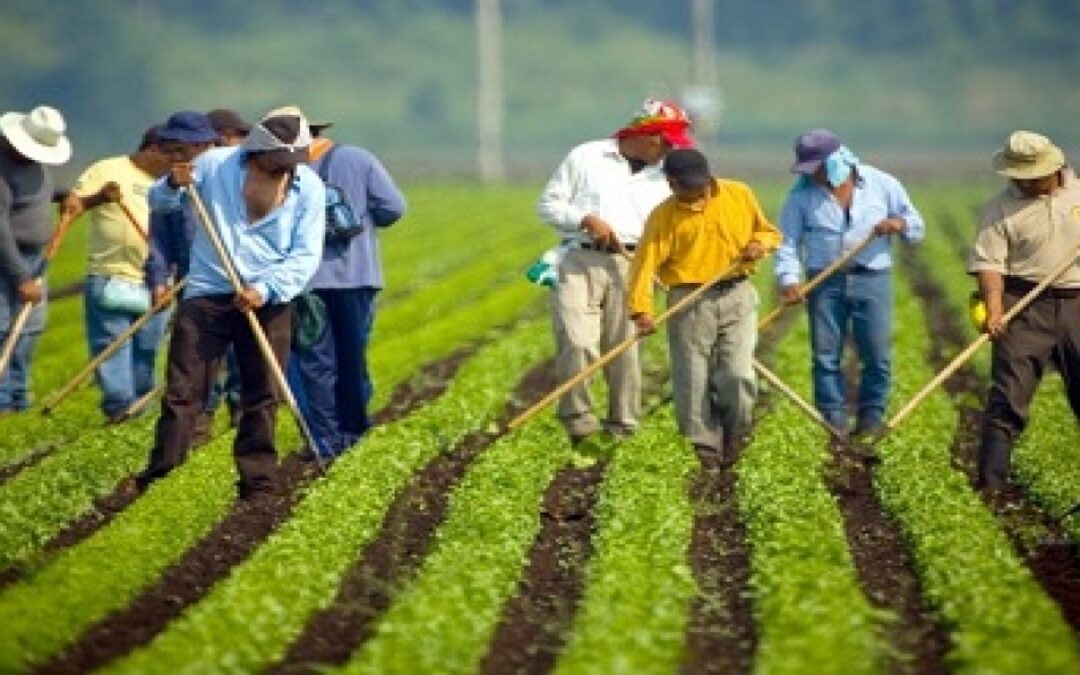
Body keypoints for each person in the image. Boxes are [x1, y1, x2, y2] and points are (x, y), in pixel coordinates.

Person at [135, 106, 325, 499]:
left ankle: (258, 482)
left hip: (267, 300)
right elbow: (160, 203)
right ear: (258, 150)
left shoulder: (309, 187)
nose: (287, 168)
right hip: (208, 294)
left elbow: (306, 255)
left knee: (262, 393)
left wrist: (266, 289)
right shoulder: (214, 165)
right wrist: (173, 183)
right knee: (184, 391)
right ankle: (163, 473)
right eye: (280, 160)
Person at [536, 98, 693, 444]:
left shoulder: (667, 173)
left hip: (634, 262)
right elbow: (549, 204)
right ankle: (579, 423)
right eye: (665, 141)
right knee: (577, 341)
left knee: (624, 347)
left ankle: (623, 426)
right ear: (645, 133)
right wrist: (584, 219)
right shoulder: (586, 156)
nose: (669, 149)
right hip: (579, 259)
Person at [774, 128, 924, 441]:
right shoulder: (800, 196)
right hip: (824, 280)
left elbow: (916, 225)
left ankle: (871, 419)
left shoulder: (882, 184)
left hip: (873, 276)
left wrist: (899, 224)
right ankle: (833, 421)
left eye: (816, 168)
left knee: (877, 354)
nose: (812, 175)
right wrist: (789, 280)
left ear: (836, 162)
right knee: (826, 355)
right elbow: (786, 243)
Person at [628, 148, 781, 455]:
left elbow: (769, 232)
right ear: (671, 184)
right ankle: (704, 447)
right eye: (689, 187)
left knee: (737, 373)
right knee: (693, 377)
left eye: (701, 185)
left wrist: (757, 245)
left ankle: (736, 433)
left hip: (738, 293)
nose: (698, 193)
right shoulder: (663, 217)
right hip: (689, 300)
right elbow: (643, 267)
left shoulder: (739, 194)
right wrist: (642, 311)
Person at [288, 114, 406, 460]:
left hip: (305, 281)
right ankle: (353, 432)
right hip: (357, 275)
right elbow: (394, 207)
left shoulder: (280, 168)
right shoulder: (358, 158)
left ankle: (325, 438)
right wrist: (366, 221)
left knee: (314, 360)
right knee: (352, 358)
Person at [969, 131, 1080, 492]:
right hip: (1025, 305)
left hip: (1078, 302)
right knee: (1008, 399)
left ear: (1054, 168)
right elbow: (989, 265)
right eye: (1020, 176)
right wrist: (996, 308)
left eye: (1033, 175)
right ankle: (991, 487)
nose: (1025, 182)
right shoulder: (998, 210)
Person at [62, 124, 172, 422]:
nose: (174, 163)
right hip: (111, 275)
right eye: (170, 156)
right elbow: (74, 205)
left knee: (147, 348)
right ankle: (120, 408)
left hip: (157, 282)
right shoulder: (107, 169)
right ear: (152, 150)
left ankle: (140, 408)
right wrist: (100, 197)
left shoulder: (172, 182)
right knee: (112, 344)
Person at [0, 105, 72, 414]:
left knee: (29, 328)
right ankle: (3, 399)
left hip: (35, 258)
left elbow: (38, 194)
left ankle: (17, 396)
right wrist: (20, 276)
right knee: (4, 327)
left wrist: (66, 194)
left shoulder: (33, 164)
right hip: (8, 260)